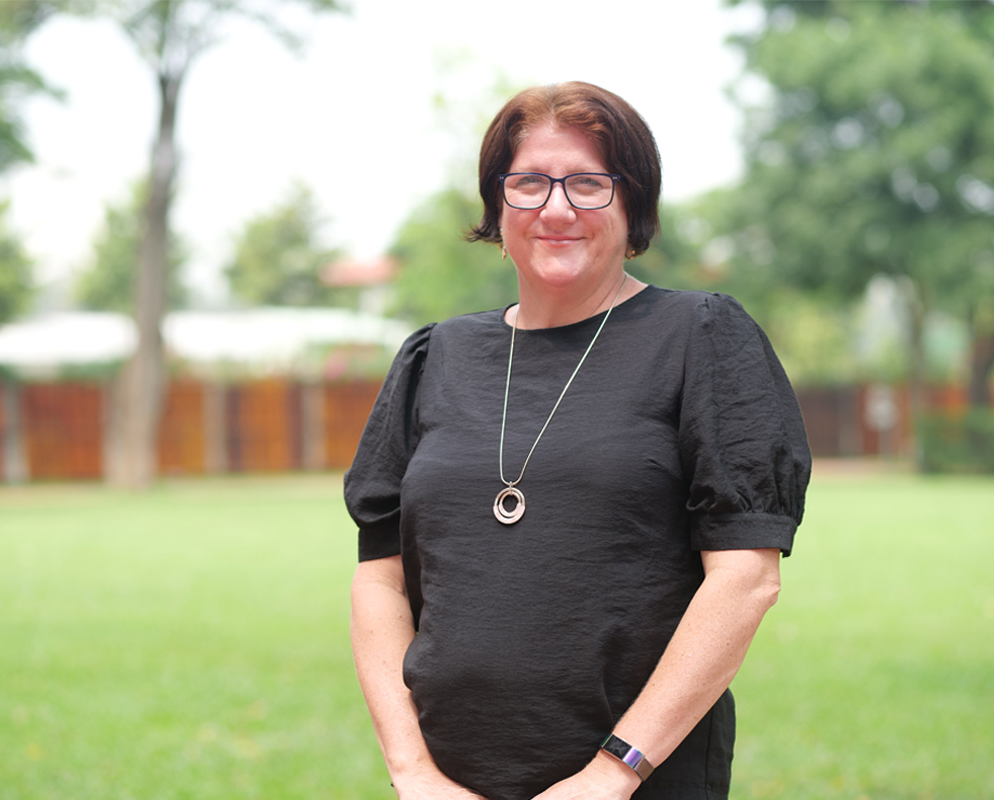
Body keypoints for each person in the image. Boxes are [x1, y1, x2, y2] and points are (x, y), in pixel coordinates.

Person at [345, 81, 811, 800]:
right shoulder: (434, 358)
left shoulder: (701, 339)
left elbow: (746, 579)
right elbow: (379, 581)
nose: (555, 208)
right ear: (498, 205)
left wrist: (609, 775)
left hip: (636, 784)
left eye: (589, 184)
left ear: (634, 206)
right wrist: (414, 774)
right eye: (529, 182)